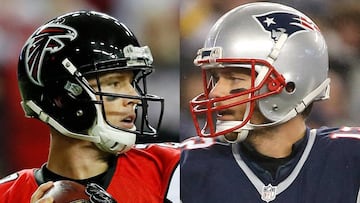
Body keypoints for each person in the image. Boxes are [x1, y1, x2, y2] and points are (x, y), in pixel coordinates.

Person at [180, 2, 360, 203]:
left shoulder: (350, 159)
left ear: (290, 85)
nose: (215, 92)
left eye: (234, 78)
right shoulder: (187, 163)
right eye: (215, 77)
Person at [0, 10, 180, 202]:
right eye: (114, 83)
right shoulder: (8, 195)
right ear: (62, 98)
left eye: (132, 82)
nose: (134, 97)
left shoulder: (172, 168)